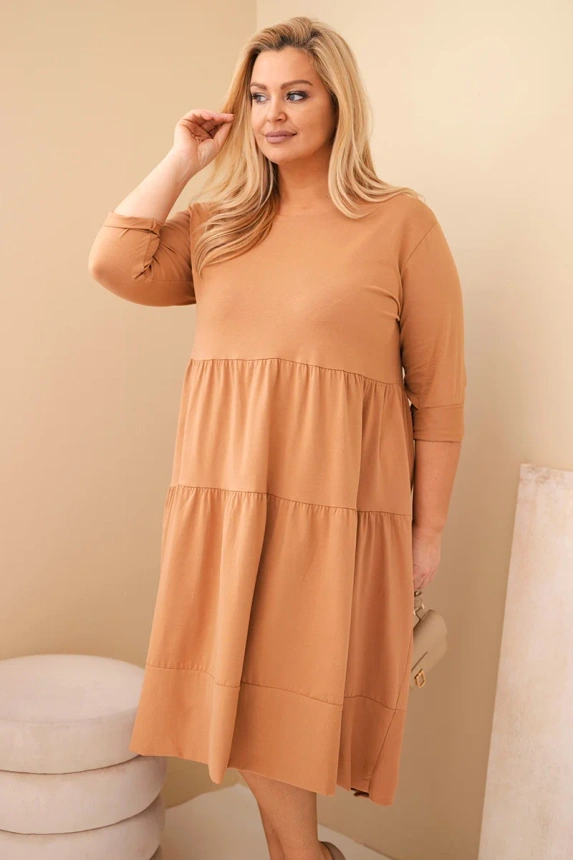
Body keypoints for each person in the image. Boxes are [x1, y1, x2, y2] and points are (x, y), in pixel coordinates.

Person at [88, 15, 466, 860]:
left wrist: (427, 530)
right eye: (258, 97)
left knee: (291, 698)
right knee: (240, 694)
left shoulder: (400, 223)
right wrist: (182, 159)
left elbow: (439, 395)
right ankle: (302, 856)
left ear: (338, 104)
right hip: (224, 497)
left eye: (295, 94)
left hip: (337, 505)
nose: (273, 114)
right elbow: (114, 263)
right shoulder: (220, 223)